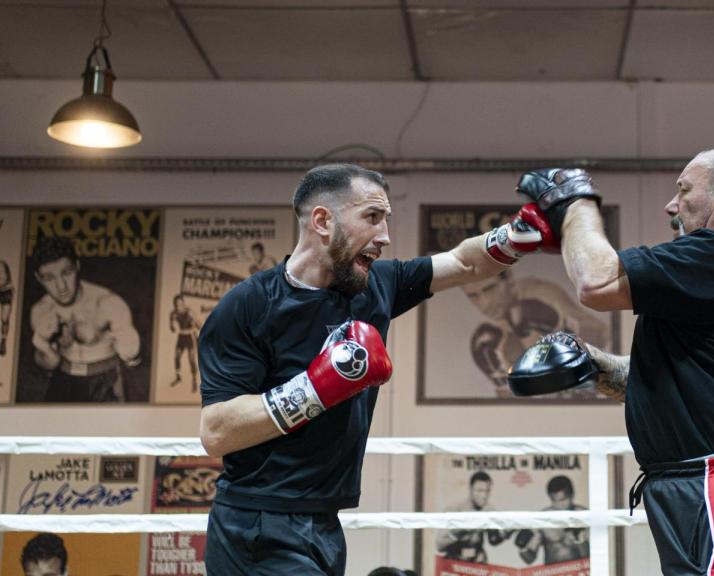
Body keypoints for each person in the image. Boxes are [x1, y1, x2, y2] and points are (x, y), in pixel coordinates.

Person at [199, 163, 552, 575]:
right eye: (371, 217)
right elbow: (217, 431)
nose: (384, 236)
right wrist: (317, 387)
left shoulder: (374, 287)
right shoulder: (249, 306)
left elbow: (463, 264)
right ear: (322, 221)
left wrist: (518, 235)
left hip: (324, 522)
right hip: (257, 523)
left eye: (386, 219)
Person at [514, 147, 714, 574]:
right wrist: (591, 364)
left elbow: (595, 282)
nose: (671, 205)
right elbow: (666, 380)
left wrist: (575, 204)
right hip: (704, 486)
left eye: (684, 190)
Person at [28, 236, 141, 402]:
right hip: (64, 377)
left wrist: (129, 346)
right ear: (38, 278)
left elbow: (133, 360)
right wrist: (41, 342)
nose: (61, 287)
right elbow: (49, 365)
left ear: (77, 266)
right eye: (49, 278)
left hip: (105, 379)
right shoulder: (41, 310)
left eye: (66, 273)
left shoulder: (107, 303)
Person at [462, 270, 609, 392]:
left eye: (490, 288)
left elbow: (602, 336)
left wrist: (560, 325)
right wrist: (501, 381)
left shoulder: (540, 293)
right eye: (473, 296)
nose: (485, 303)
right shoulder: (492, 326)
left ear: (509, 280)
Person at [435, 471, 510, 563]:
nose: (484, 496)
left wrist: (506, 533)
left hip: (478, 562)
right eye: (479, 491)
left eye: (487, 491)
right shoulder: (455, 510)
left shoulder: (489, 511)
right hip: (455, 562)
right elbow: (440, 546)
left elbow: (493, 540)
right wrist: (462, 530)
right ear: (470, 490)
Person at [515, 475, 589, 565]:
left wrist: (579, 541)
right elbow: (529, 560)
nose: (559, 505)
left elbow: (592, 557)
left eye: (563, 500)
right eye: (555, 501)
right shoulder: (543, 520)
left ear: (572, 495)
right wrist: (523, 548)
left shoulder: (585, 516)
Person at [169, 294, 201, 392]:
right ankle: (178, 377)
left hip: (190, 337)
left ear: (184, 303)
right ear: (175, 305)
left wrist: (195, 327)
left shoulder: (190, 312)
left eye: (182, 303)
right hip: (182, 337)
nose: (180, 306)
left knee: (191, 359)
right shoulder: (173, 314)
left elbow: (199, 325)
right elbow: (172, 328)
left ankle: (194, 380)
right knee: (176, 356)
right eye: (178, 304)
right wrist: (173, 326)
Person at [0, 259, 13, 356]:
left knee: (5, 318)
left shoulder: (2, 265)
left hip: (5, 290)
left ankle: (3, 340)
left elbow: (4, 280)